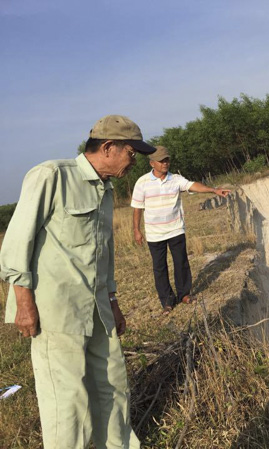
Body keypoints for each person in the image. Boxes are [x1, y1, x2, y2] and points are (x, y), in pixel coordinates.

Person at [0, 115, 156, 449]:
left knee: (112, 384)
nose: (135, 161)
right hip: (57, 311)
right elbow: (16, 242)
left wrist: (113, 302)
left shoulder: (107, 190)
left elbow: (106, 253)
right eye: (132, 152)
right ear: (109, 147)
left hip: (98, 309)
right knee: (66, 401)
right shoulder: (52, 176)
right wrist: (24, 303)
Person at [131, 146, 230, 314]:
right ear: (152, 163)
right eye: (161, 161)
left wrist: (213, 190)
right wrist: (136, 230)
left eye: (167, 160)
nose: (165, 163)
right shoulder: (142, 182)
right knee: (159, 267)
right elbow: (137, 208)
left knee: (181, 262)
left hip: (175, 229)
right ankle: (167, 301)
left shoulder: (175, 179)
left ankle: (184, 294)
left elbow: (192, 186)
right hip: (155, 234)